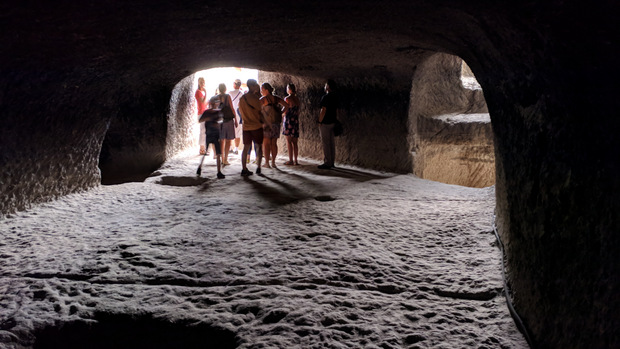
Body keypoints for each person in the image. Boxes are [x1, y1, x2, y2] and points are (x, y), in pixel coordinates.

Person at [238, 79, 264, 176]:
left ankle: (244, 168)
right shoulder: (256, 99)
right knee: (258, 147)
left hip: (246, 126)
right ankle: (259, 167)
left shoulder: (242, 99)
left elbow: (240, 111)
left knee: (245, 148)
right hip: (256, 125)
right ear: (253, 86)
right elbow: (260, 110)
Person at [259, 82, 288, 168]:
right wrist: (281, 113)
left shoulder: (263, 99)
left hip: (267, 124)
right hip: (276, 123)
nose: (261, 91)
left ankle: (267, 162)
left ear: (266, 90)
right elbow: (286, 105)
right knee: (274, 143)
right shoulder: (276, 98)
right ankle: (273, 163)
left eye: (262, 89)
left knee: (266, 143)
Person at [209, 83, 238, 166]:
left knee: (221, 140)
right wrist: (235, 119)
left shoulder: (215, 98)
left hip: (219, 121)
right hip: (228, 120)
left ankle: (221, 158)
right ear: (225, 89)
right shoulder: (227, 96)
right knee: (228, 140)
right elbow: (232, 108)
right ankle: (225, 158)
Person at [317, 79, 339, 169]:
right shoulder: (335, 97)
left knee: (326, 143)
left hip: (325, 123)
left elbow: (323, 110)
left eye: (326, 85)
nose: (324, 86)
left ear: (328, 87)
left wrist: (319, 121)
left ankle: (327, 162)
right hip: (333, 121)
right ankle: (332, 162)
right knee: (332, 143)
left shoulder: (325, 97)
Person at [198, 108, 225, 179]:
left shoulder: (217, 112)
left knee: (218, 153)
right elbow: (200, 120)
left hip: (214, 134)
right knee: (210, 152)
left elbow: (221, 120)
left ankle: (218, 171)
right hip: (211, 134)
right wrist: (209, 118)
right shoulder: (208, 112)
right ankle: (200, 167)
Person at [282, 83, 300, 165]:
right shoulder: (297, 99)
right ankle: (296, 160)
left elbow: (285, 110)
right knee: (295, 142)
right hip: (295, 121)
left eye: (287, 88)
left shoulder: (287, 98)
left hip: (289, 121)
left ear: (289, 89)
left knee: (289, 141)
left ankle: (290, 160)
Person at [194, 77, 209, 155]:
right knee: (202, 131)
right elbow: (203, 102)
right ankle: (201, 149)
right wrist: (206, 92)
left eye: (203, 82)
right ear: (198, 83)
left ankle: (203, 148)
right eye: (201, 82)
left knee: (204, 131)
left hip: (204, 113)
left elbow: (205, 103)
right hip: (201, 113)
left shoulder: (201, 92)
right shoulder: (198, 92)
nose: (203, 84)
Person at [229, 79, 244, 155]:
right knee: (237, 132)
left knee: (230, 130)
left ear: (234, 84)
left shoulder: (230, 93)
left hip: (231, 114)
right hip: (239, 115)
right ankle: (236, 148)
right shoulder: (241, 94)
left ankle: (230, 148)